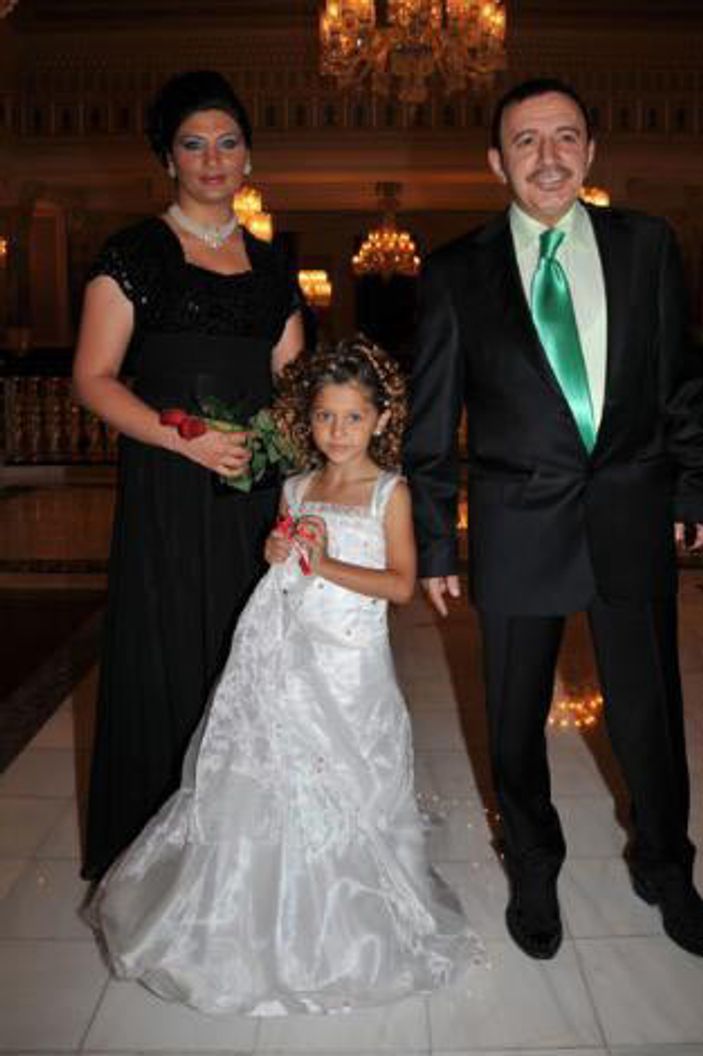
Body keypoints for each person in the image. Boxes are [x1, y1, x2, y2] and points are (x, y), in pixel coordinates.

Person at [86, 337, 483, 1015]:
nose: (337, 431)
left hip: (350, 667)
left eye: (352, 417)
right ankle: (268, 907)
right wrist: (277, 549)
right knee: (275, 778)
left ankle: (353, 916)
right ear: (308, 418)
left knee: (354, 779)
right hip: (288, 656)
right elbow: (285, 566)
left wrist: (324, 564)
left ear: (382, 420)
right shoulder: (297, 487)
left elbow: (399, 585)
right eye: (325, 416)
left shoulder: (390, 493)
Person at [405, 77, 703, 960]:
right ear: (496, 162)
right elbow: (430, 422)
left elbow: (681, 381)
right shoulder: (456, 272)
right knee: (512, 717)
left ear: (590, 151)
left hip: (630, 511)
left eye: (565, 136)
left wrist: (692, 488)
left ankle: (666, 865)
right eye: (526, 140)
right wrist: (434, 541)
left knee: (650, 713)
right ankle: (533, 869)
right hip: (515, 521)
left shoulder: (646, 245)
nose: (548, 157)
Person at [73, 70, 304, 881]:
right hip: (170, 489)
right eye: (194, 145)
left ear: (248, 157)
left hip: (254, 495)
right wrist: (187, 441)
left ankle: (243, 852)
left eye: (228, 143)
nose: (213, 159)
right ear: (168, 159)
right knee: (170, 652)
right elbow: (93, 378)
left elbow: (292, 386)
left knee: (251, 652)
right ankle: (160, 859)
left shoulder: (273, 267)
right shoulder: (134, 253)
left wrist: (295, 447)